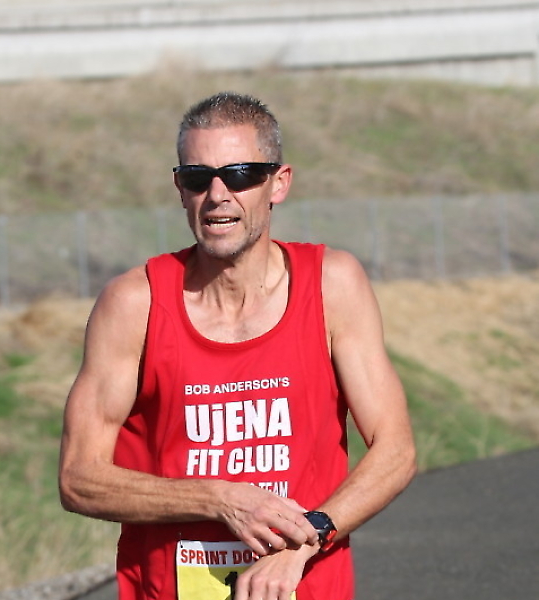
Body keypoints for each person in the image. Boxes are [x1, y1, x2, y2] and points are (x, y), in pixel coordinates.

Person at [59, 91, 417, 600]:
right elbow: (79, 478)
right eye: (197, 177)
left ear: (279, 183)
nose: (218, 194)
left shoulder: (331, 285)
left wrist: (308, 538)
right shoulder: (134, 304)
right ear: (180, 189)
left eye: (241, 174)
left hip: (304, 584)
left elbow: (395, 450)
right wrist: (219, 498)